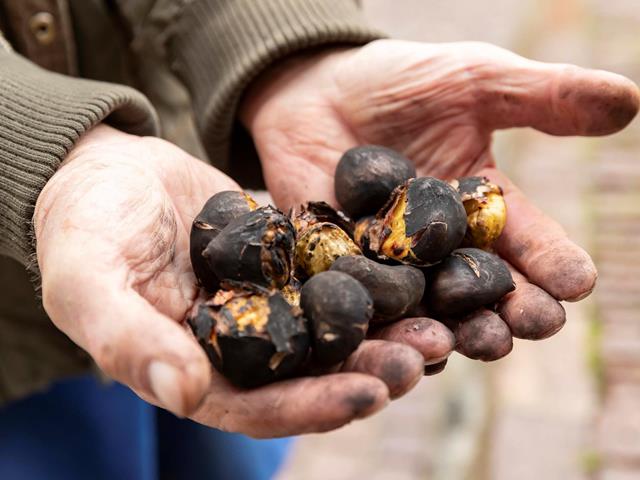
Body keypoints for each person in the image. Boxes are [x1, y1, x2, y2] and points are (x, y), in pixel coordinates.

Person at [0, 1, 638, 478]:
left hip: (166, 198)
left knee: (221, 451)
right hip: (19, 344)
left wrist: (285, 44)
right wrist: (46, 148)